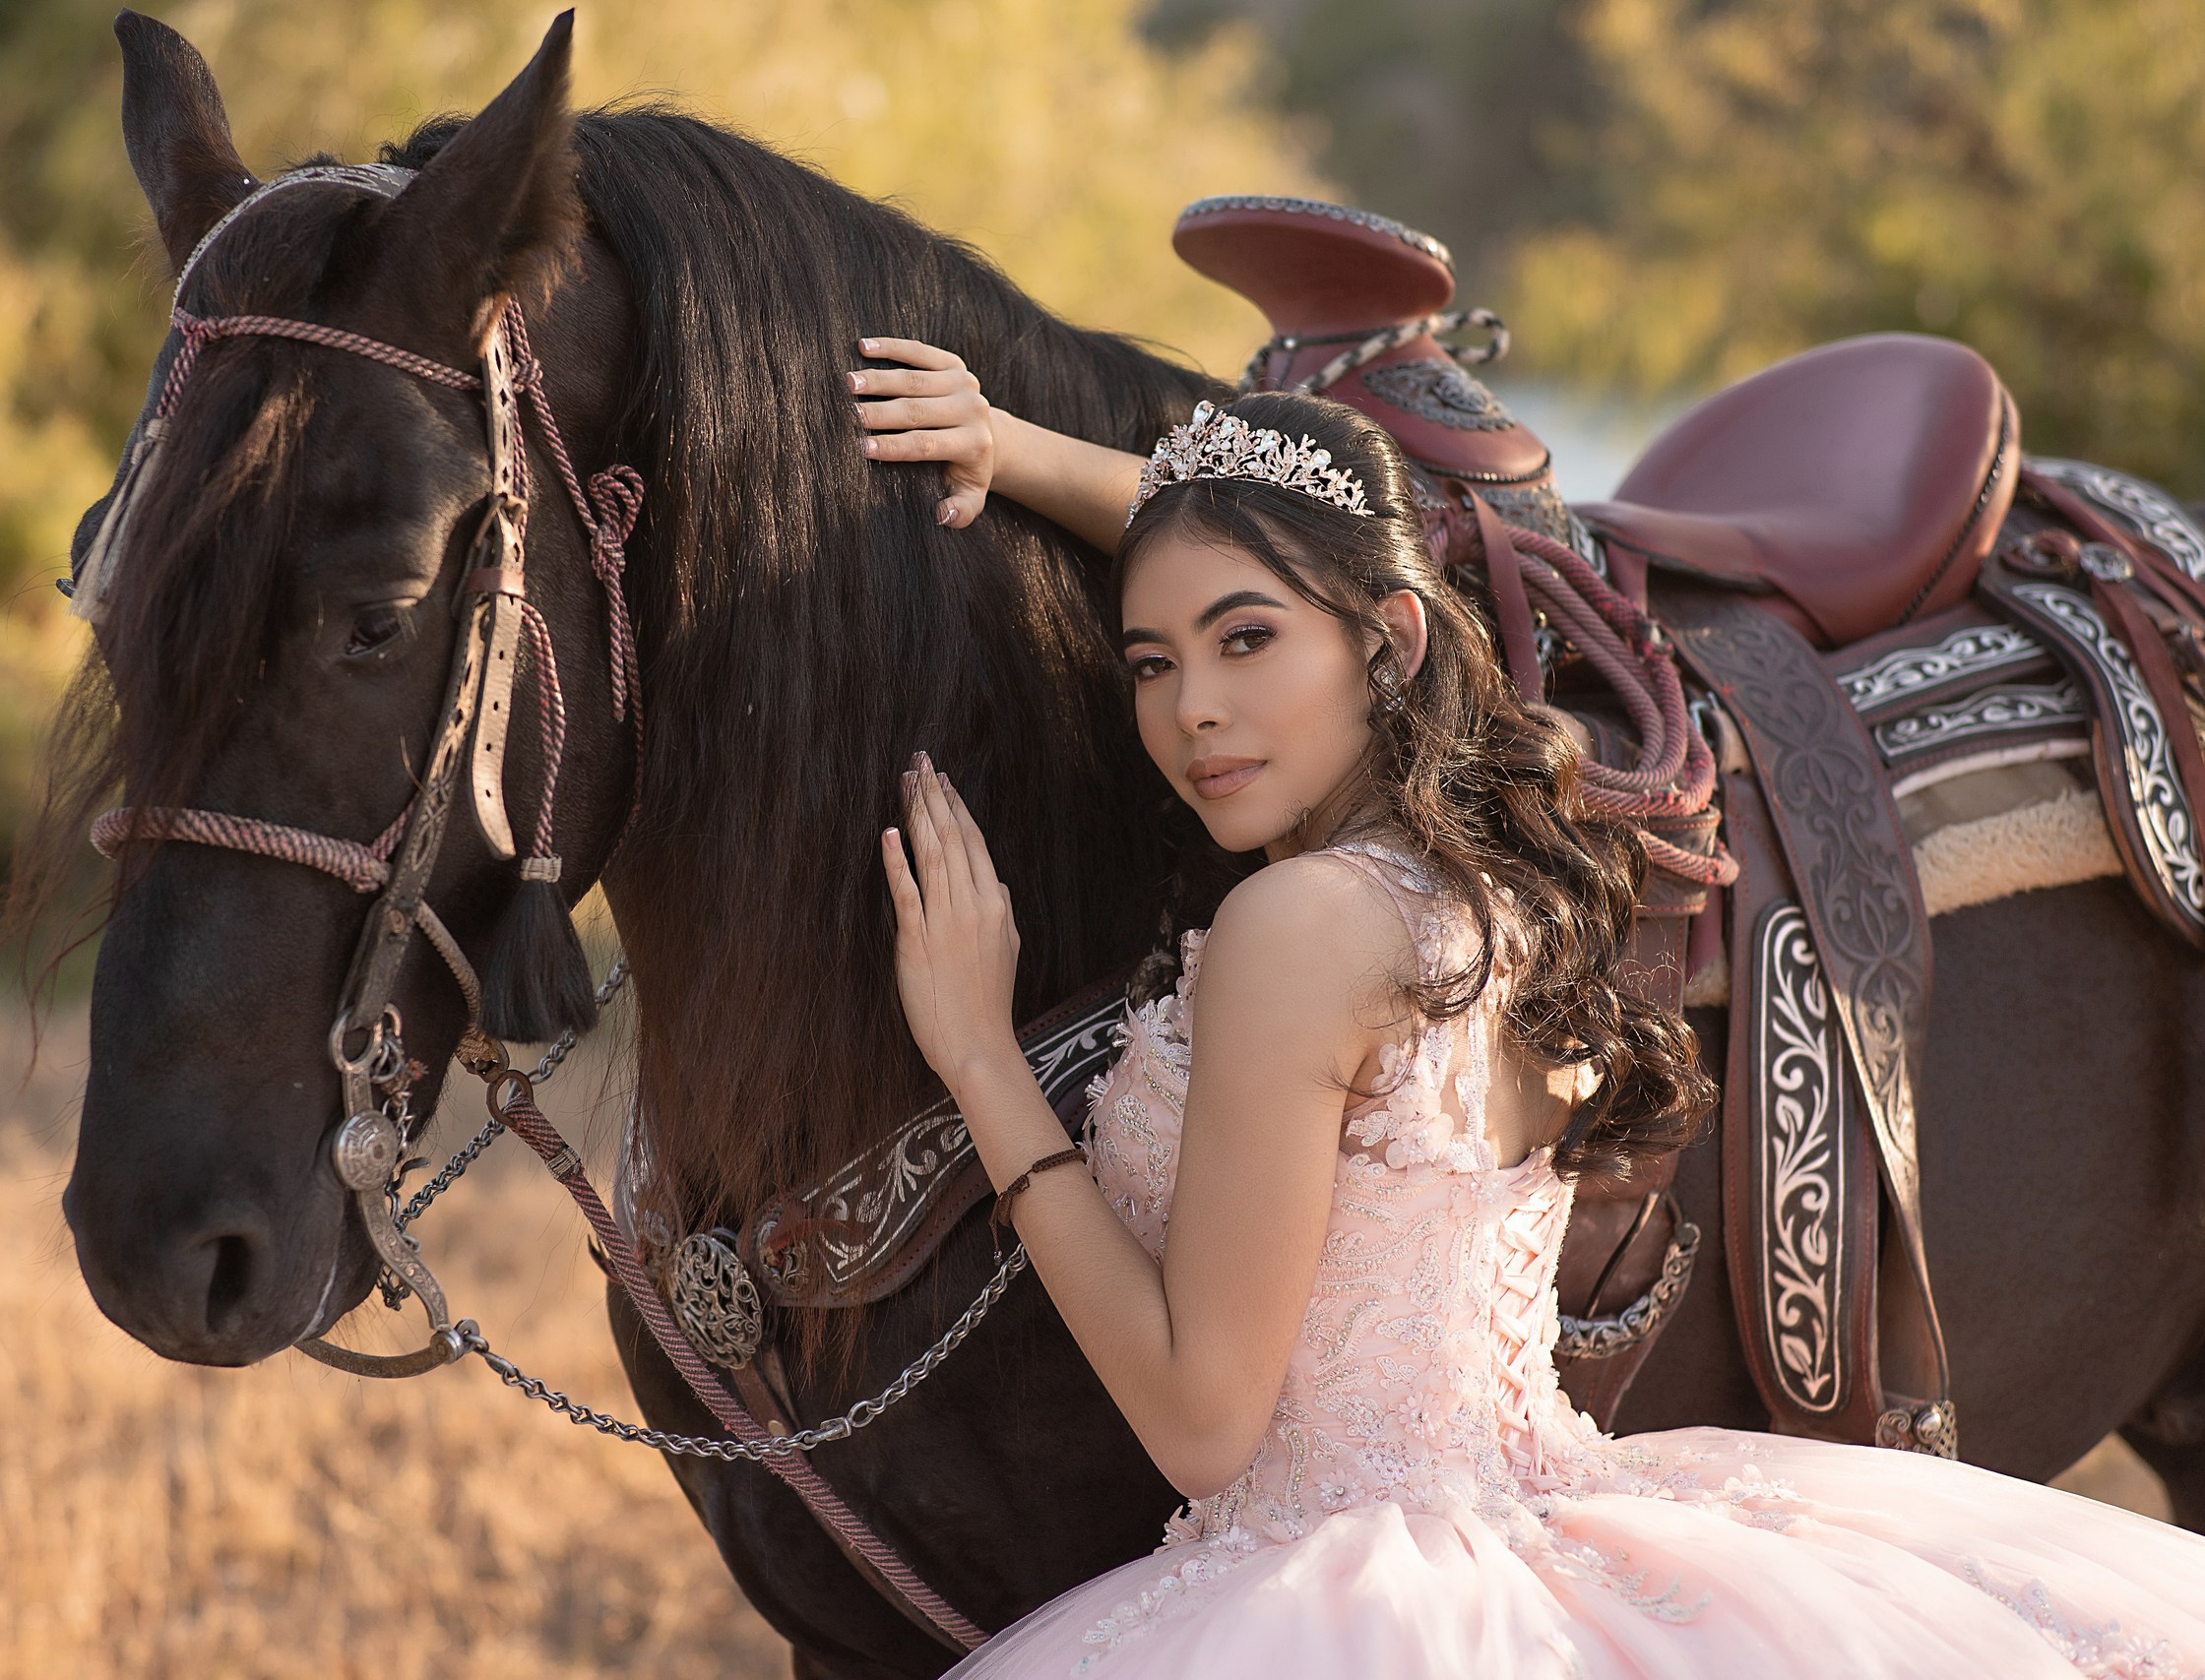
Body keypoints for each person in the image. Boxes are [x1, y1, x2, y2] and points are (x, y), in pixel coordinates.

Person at [850, 337, 2205, 1677]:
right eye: (1151, 664)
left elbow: (1206, 1429)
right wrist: (1015, 451)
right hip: (1545, 1525)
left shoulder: (1299, 926)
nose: (1194, 711)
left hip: (1341, 1597)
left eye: (1245, 643)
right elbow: (1263, 560)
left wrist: (980, 1057)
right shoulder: (1491, 880)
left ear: (1388, 643)